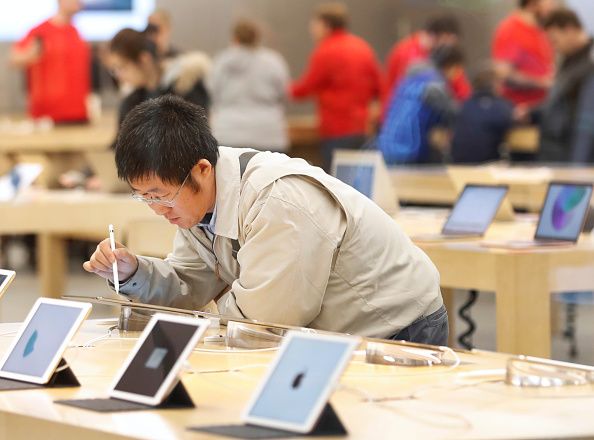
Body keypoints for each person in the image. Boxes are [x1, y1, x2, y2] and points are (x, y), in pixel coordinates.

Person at [83, 95, 446, 345]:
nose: (156, 209)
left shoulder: (278, 200)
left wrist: (194, 327)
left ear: (202, 169)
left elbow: (264, 323)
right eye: (143, 196)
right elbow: (188, 285)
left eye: (160, 195)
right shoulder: (198, 203)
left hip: (396, 329)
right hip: (333, 333)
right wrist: (132, 273)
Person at [290, 2, 382, 171]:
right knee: (355, 184)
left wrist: (281, 88)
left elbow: (305, 88)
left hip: (336, 130)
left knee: (334, 185)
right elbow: (379, 87)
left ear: (326, 25)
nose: (311, 29)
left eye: (314, 24)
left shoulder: (325, 51)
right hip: (362, 130)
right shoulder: (362, 47)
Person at [208, 19, 290, 152]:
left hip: (228, 132)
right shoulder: (273, 61)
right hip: (268, 133)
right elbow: (284, 93)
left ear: (234, 38)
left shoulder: (222, 61)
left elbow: (212, 91)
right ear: (257, 38)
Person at [378, 45, 463, 165]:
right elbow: (455, 114)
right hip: (410, 151)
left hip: (387, 146)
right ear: (450, 65)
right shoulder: (435, 85)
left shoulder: (408, 79)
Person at [9, 0, 90, 123]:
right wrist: (30, 55)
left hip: (78, 114)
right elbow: (14, 58)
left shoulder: (75, 32)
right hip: (48, 117)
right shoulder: (40, 31)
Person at [537, 8, 594, 162]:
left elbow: (587, 122)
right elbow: (560, 105)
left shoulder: (589, 63)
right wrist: (531, 113)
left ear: (569, 30)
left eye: (555, 40)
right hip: (556, 153)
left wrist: (578, 166)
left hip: (574, 156)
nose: (554, 46)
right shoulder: (569, 61)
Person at [384, 14, 471, 112]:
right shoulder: (409, 56)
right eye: (448, 45)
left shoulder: (439, 57)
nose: (449, 51)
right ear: (438, 37)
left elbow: (461, 87)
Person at [492, 0, 556, 107]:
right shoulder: (510, 29)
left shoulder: (541, 30)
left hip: (543, 108)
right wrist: (541, 83)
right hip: (519, 111)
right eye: (548, 1)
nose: (552, 5)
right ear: (532, 3)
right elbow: (503, 74)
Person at [451, 66, 514, 163]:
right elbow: (509, 123)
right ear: (495, 84)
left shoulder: (464, 105)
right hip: (486, 166)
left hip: (457, 166)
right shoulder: (501, 106)